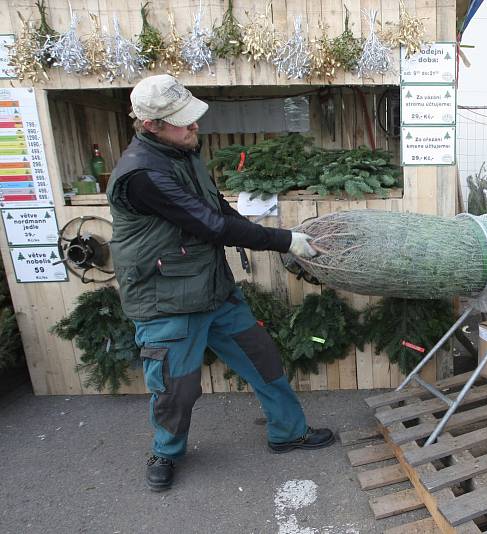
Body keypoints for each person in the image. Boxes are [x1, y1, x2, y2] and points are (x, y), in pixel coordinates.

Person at [107, 74, 334, 493]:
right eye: (183, 122)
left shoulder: (183, 153)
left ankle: (288, 432)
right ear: (151, 124)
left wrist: (267, 233)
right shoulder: (142, 175)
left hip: (213, 289)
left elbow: (218, 209)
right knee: (176, 389)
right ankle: (167, 451)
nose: (195, 127)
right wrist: (284, 240)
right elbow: (210, 226)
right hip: (166, 300)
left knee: (262, 359)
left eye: (193, 118)